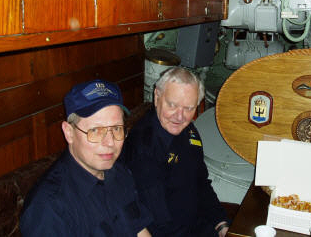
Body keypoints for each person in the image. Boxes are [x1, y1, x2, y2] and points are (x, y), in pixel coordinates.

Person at [20, 79, 152, 237]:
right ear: (69, 133)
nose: (110, 142)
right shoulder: (48, 208)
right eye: (95, 130)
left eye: (117, 129)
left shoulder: (119, 172)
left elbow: (138, 230)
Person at [122, 67, 229, 237]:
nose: (180, 117)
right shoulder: (143, 146)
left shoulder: (189, 132)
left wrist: (220, 222)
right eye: (172, 105)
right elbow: (159, 222)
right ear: (157, 97)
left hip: (196, 224)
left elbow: (200, 182)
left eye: (188, 108)